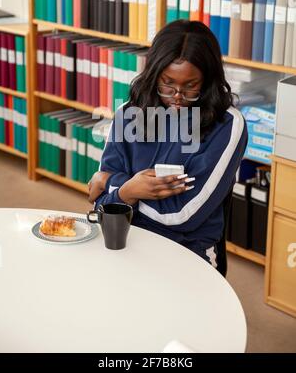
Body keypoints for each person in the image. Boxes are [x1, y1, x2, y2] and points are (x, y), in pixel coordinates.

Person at [88, 20, 248, 267]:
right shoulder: (128, 112)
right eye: (168, 83)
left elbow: (183, 215)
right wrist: (128, 190)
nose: (177, 96)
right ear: (154, 74)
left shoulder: (227, 125)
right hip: (124, 236)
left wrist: (112, 185)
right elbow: (100, 204)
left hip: (187, 251)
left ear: (208, 79)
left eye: (190, 85)